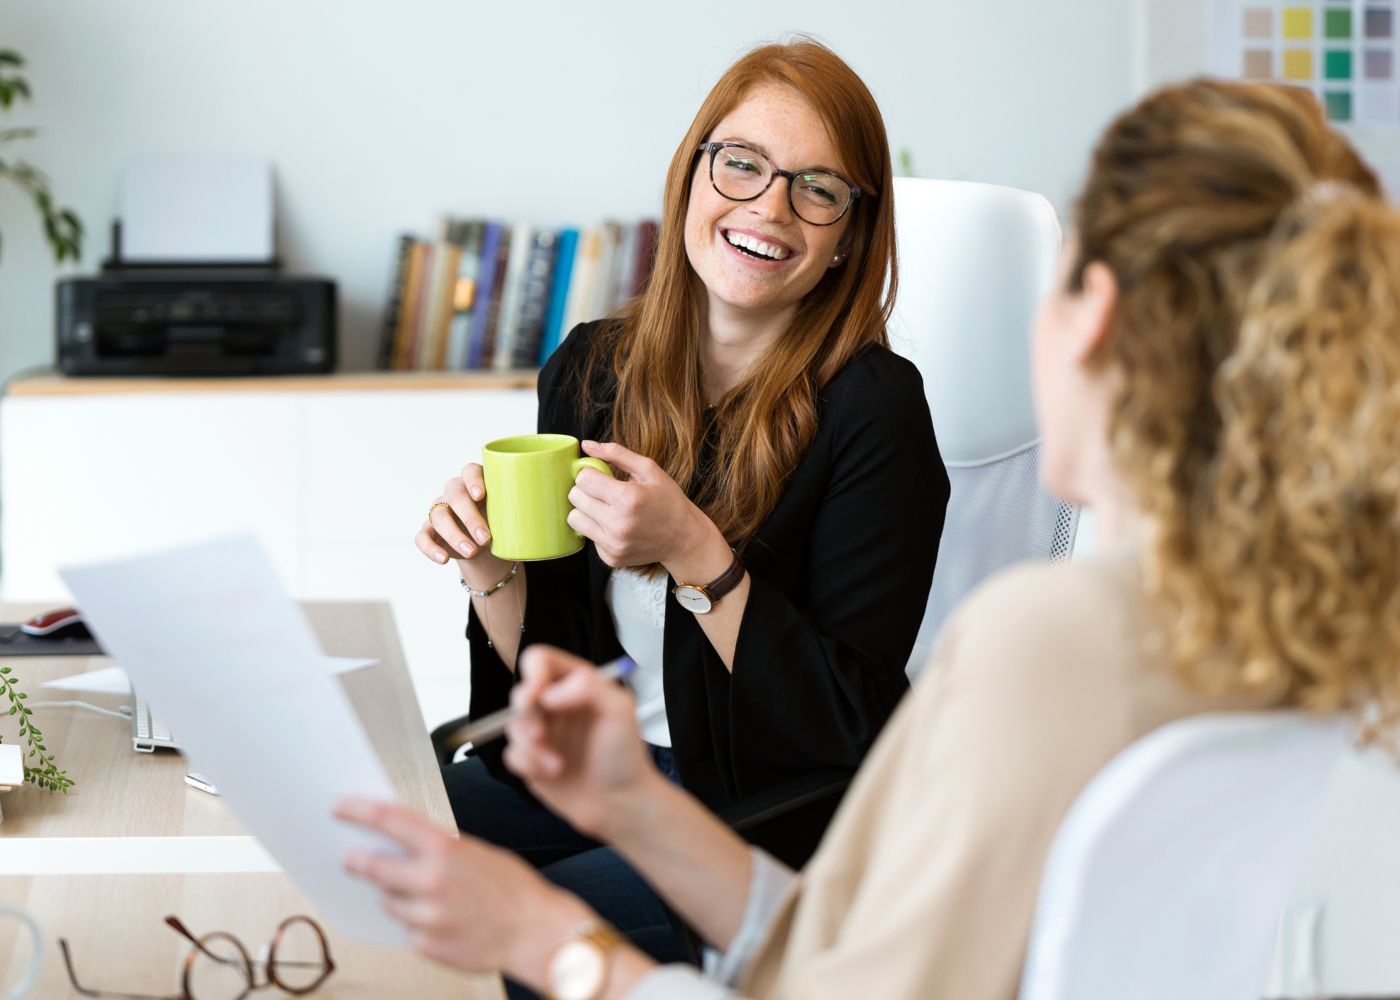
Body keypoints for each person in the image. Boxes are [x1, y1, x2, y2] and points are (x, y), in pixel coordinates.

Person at [345, 77, 1400, 998]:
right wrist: (631, 803)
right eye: (740, 166)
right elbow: (838, 941)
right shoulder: (1315, 640)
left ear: (1094, 320)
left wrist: (543, 941)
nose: (769, 205)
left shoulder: (1045, 637)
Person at [413, 39, 948, 973]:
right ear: (692, 172)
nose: (768, 208)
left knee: (496, 935)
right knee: (378, 853)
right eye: (741, 163)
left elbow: (854, 723)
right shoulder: (590, 369)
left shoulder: (875, 409)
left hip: (753, 824)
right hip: (595, 773)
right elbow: (559, 672)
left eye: (817, 189)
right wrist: (490, 569)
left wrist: (701, 558)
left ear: (848, 237)